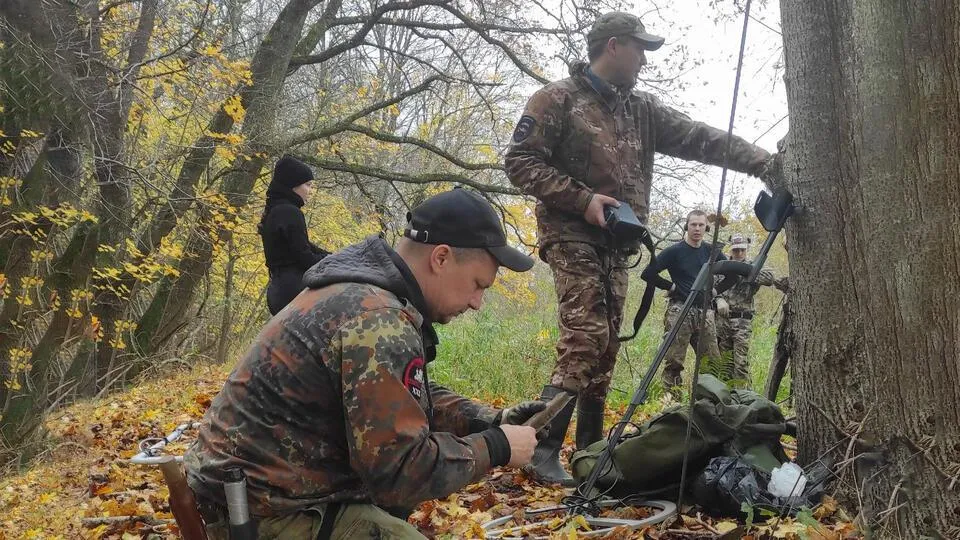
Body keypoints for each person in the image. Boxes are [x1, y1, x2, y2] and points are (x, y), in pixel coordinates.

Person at [505, 10, 775, 485]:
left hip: (618, 245)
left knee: (606, 347)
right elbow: (520, 162)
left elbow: (698, 137)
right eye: (640, 49)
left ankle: (589, 451)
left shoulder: (641, 109)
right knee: (585, 338)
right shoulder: (556, 99)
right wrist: (584, 200)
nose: (645, 61)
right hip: (572, 236)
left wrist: (764, 163)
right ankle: (542, 450)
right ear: (613, 46)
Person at [185, 188, 541, 539]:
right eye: (478, 285)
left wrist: (488, 420)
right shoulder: (377, 317)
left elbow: (393, 394)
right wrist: (496, 446)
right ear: (442, 258)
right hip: (264, 515)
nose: (477, 302)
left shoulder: (363, 293)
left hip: (245, 495)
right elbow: (400, 474)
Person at [641, 210, 726, 391]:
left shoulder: (711, 252)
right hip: (680, 311)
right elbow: (648, 273)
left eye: (701, 225)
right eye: (693, 224)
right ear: (687, 226)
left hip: (705, 314)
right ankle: (672, 407)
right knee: (674, 362)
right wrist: (672, 287)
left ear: (706, 228)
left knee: (712, 364)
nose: (697, 229)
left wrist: (716, 291)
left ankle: (706, 406)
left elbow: (733, 273)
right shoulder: (674, 251)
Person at [259, 154, 331, 315]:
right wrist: (334, 262)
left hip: (278, 290)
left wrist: (330, 255)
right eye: (307, 185)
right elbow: (305, 257)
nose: (310, 191)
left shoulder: (274, 210)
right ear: (293, 184)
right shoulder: (290, 212)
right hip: (295, 291)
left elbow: (305, 247)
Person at [716, 234, 788, 387]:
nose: (739, 253)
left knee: (740, 362)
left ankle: (743, 398)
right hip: (722, 320)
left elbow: (769, 278)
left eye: (742, 250)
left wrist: (746, 271)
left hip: (742, 321)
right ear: (731, 250)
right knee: (724, 363)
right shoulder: (721, 267)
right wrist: (718, 299)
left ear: (747, 250)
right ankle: (725, 399)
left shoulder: (754, 266)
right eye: (736, 250)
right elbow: (710, 289)